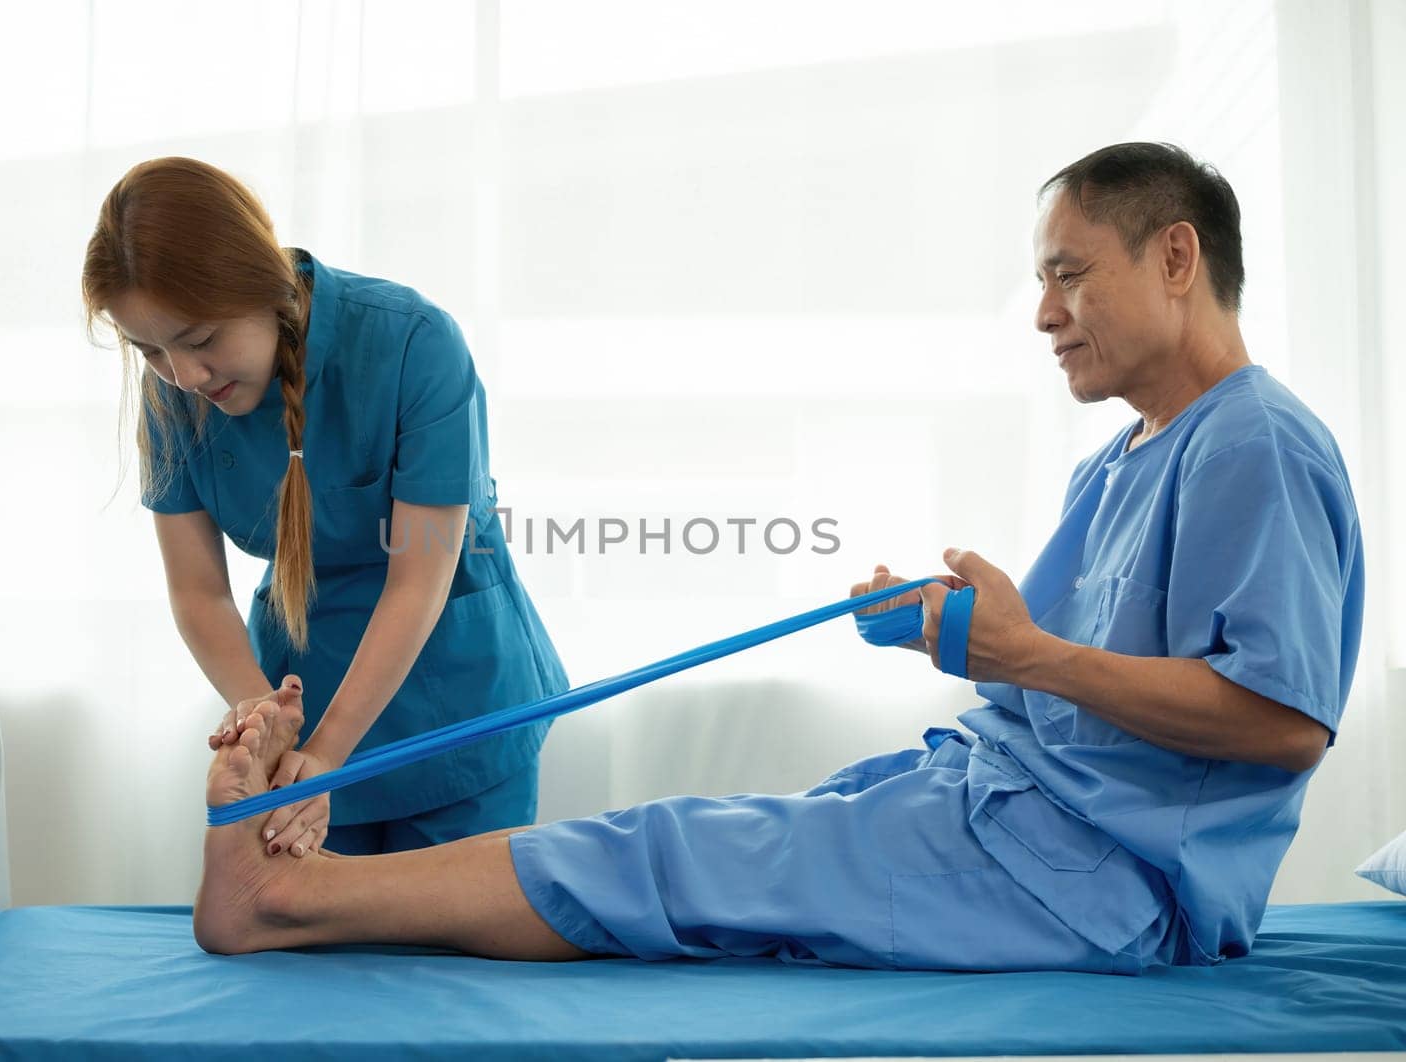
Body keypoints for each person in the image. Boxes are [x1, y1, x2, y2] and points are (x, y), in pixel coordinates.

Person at [190, 142, 1363, 973]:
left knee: (673, 857)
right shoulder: (1124, 458)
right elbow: (1076, 687)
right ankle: (298, 894)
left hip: (1099, 882)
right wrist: (955, 630)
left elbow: (1279, 723)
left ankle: (289, 894)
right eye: (1041, 279)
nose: (1044, 312)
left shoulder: (1251, 443)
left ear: (1173, 257)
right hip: (1010, 812)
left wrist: (1033, 656)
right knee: (706, 839)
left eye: (1068, 272)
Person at [82, 158, 568, 859]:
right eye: (148, 349)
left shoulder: (413, 343)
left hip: (455, 692)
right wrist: (267, 722)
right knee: (319, 955)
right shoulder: (173, 399)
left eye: (200, 340)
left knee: (454, 947)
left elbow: (417, 580)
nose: (184, 376)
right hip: (302, 684)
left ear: (263, 287)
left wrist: (330, 751)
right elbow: (198, 592)